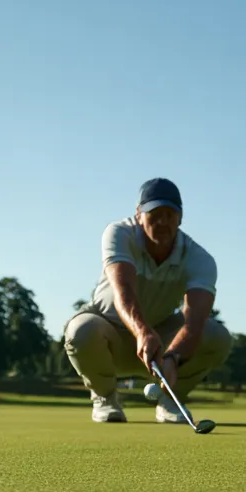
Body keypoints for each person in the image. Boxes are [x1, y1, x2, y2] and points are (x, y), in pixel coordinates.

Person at [65, 177, 232, 423]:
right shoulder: (119, 233)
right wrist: (142, 331)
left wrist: (174, 356)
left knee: (217, 336)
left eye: (170, 213)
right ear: (138, 214)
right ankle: (105, 399)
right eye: (154, 213)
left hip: (162, 341)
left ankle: (170, 400)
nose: (162, 221)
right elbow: (124, 291)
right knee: (81, 330)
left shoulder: (200, 259)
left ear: (181, 218)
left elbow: (194, 322)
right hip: (109, 334)